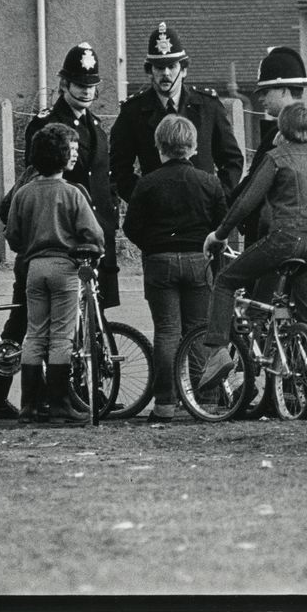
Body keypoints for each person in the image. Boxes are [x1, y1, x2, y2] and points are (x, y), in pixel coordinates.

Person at [0, 42, 120, 419]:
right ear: (64, 84)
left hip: (88, 238)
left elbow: (102, 185)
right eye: (78, 83)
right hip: (54, 241)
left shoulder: (96, 127)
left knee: (88, 319)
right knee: (26, 321)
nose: (85, 90)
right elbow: (36, 178)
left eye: (91, 83)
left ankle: (85, 392)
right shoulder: (48, 124)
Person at [199, 102, 307, 422]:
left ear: (281, 130)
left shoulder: (277, 158)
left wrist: (219, 234)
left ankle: (217, 353)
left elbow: (248, 201)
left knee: (226, 281)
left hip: (284, 239)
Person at [122, 115, 228, 423]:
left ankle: (165, 403)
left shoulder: (147, 183)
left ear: (159, 148)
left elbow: (131, 227)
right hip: (198, 258)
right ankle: (205, 399)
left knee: (167, 331)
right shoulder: (209, 182)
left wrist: (152, 245)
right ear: (194, 147)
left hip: (160, 260)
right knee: (198, 330)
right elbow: (221, 223)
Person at [4, 123, 105, 424]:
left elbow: (12, 235)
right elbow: (94, 234)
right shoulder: (72, 193)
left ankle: (29, 406)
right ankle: (60, 404)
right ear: (64, 158)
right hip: (65, 267)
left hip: (34, 268)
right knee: (61, 336)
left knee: (34, 334)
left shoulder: (24, 193)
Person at [109, 21, 243, 205]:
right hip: (157, 215)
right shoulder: (133, 112)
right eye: (159, 67)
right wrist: (144, 199)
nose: (166, 74)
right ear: (150, 71)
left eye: (171, 66)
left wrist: (217, 198)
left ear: (184, 70)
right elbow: (119, 169)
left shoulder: (208, 106)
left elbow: (232, 160)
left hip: (202, 210)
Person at [229, 45, 307, 246]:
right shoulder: (303, 129)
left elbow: (255, 184)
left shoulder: (280, 134)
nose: (260, 98)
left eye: (266, 91)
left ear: (283, 90)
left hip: (271, 235)